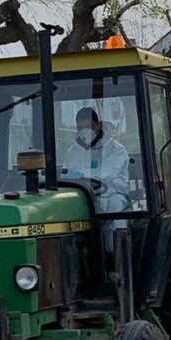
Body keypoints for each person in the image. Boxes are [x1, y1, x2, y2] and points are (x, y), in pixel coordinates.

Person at [62, 107, 130, 252]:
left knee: (115, 205)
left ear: (98, 125)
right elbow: (66, 174)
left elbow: (107, 173)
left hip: (111, 195)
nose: (84, 131)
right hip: (85, 199)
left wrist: (78, 174)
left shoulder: (116, 150)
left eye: (88, 127)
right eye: (81, 128)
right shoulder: (74, 151)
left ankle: (116, 253)